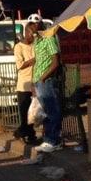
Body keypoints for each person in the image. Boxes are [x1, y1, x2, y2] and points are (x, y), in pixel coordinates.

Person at [32, 25, 63, 153]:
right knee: (47, 112)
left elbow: (56, 61)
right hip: (39, 81)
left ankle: (53, 141)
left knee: (53, 111)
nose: (29, 32)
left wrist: (44, 77)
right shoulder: (37, 41)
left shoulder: (49, 39)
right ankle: (48, 139)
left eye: (31, 28)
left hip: (47, 81)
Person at [12, 21, 38, 145]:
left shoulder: (35, 45)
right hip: (24, 85)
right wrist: (32, 61)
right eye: (33, 34)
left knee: (33, 113)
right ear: (27, 33)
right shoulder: (19, 47)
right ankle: (23, 133)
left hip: (35, 84)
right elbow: (20, 65)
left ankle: (29, 134)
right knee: (25, 113)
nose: (34, 37)